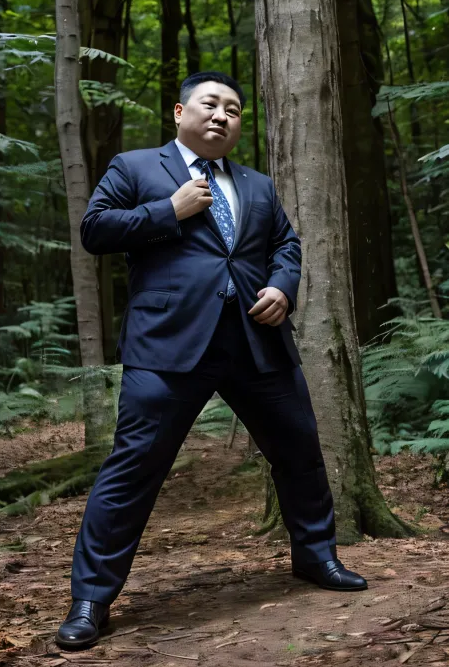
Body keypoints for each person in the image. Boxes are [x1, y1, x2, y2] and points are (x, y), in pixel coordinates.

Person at [55, 71, 367, 650]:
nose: (223, 115)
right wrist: (167, 210)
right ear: (179, 112)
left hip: (256, 341)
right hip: (168, 346)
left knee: (299, 451)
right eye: (210, 104)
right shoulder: (135, 167)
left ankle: (317, 558)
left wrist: (283, 286)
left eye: (233, 109)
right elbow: (94, 230)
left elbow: (286, 245)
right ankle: (90, 600)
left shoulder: (258, 185)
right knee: (132, 470)